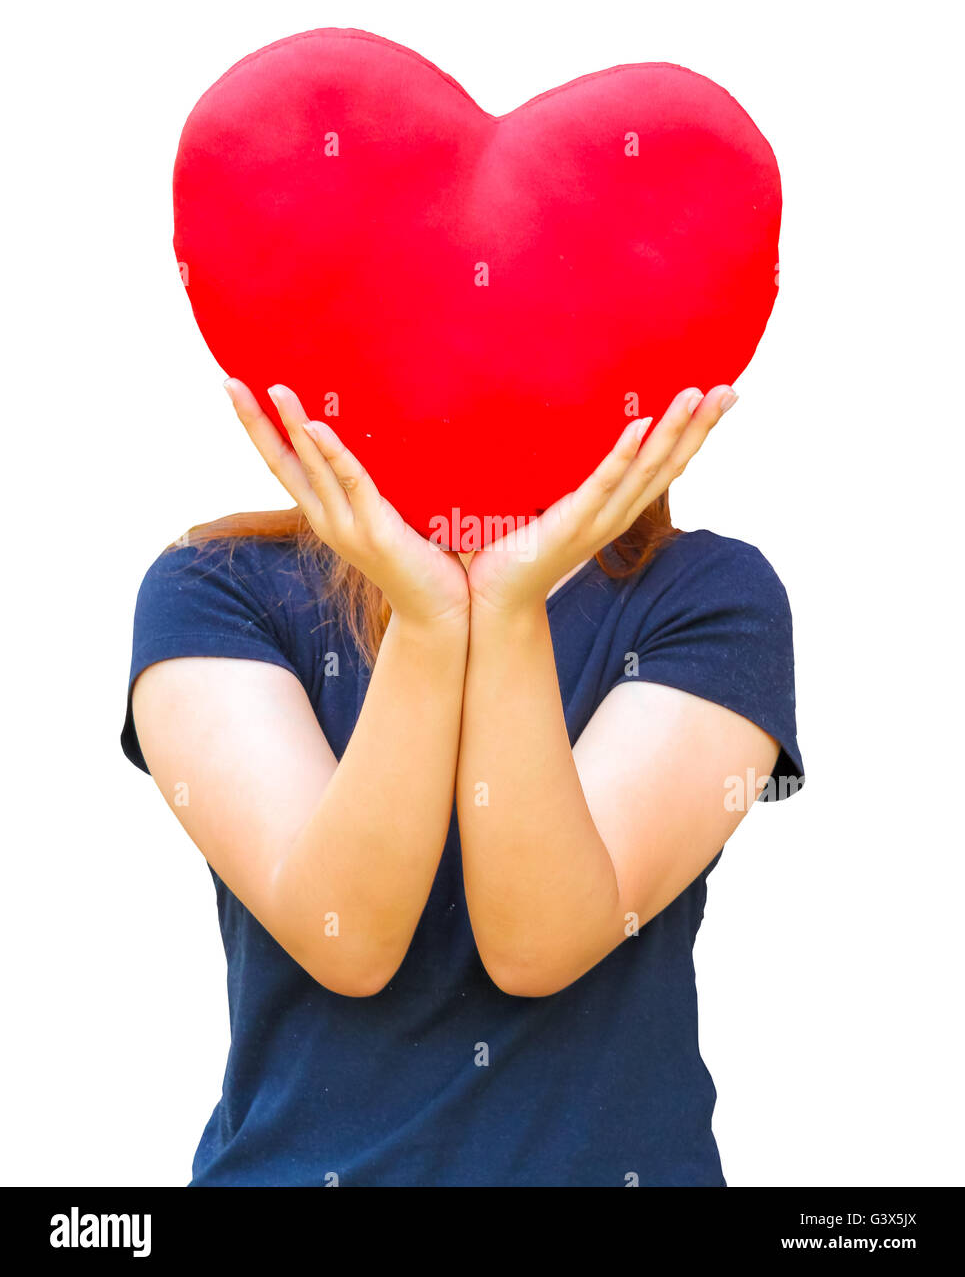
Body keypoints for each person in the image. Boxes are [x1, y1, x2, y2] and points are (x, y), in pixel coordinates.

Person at [119, 376, 804, 1186]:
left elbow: (540, 946)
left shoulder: (712, 596)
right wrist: (432, 618)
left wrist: (505, 606)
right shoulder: (215, 587)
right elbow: (345, 939)